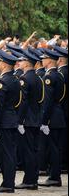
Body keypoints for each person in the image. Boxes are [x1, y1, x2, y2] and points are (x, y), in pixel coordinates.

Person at [0, 50, 21, 193]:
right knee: (10, 152)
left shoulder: (3, 81)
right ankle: (9, 182)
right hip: (12, 119)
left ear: (4, 64)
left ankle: (8, 184)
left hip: (4, 122)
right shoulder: (14, 79)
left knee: (6, 154)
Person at [16, 49, 44, 190]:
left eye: (21, 60)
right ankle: (33, 178)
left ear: (27, 63)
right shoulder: (38, 77)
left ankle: (29, 180)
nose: (19, 63)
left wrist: (19, 121)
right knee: (34, 150)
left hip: (27, 119)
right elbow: (41, 99)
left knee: (27, 151)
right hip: (36, 118)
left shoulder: (25, 79)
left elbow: (23, 102)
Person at [38, 49, 66, 187]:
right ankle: (55, 175)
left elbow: (47, 102)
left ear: (49, 61)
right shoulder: (59, 75)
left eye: (44, 59)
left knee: (53, 148)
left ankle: (54, 177)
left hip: (52, 117)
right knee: (57, 148)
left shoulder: (49, 77)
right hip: (58, 114)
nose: (42, 61)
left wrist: (44, 121)